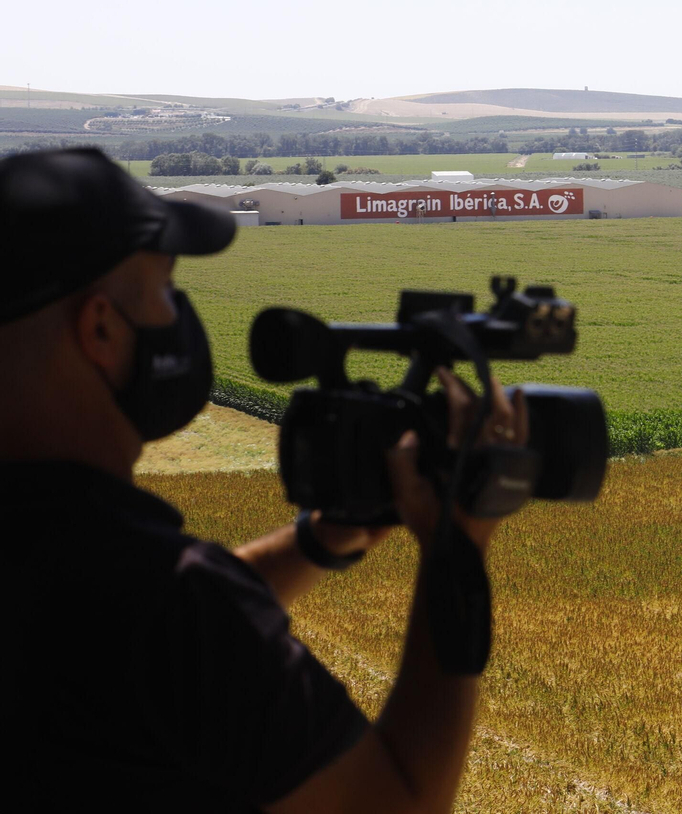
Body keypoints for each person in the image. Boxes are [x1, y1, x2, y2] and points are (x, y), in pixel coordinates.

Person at [0, 147, 526, 813]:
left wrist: (318, 542)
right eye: (164, 289)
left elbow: (142, 634)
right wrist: (457, 547)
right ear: (101, 329)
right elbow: (402, 802)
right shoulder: (162, 605)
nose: (175, 316)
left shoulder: (78, 568)